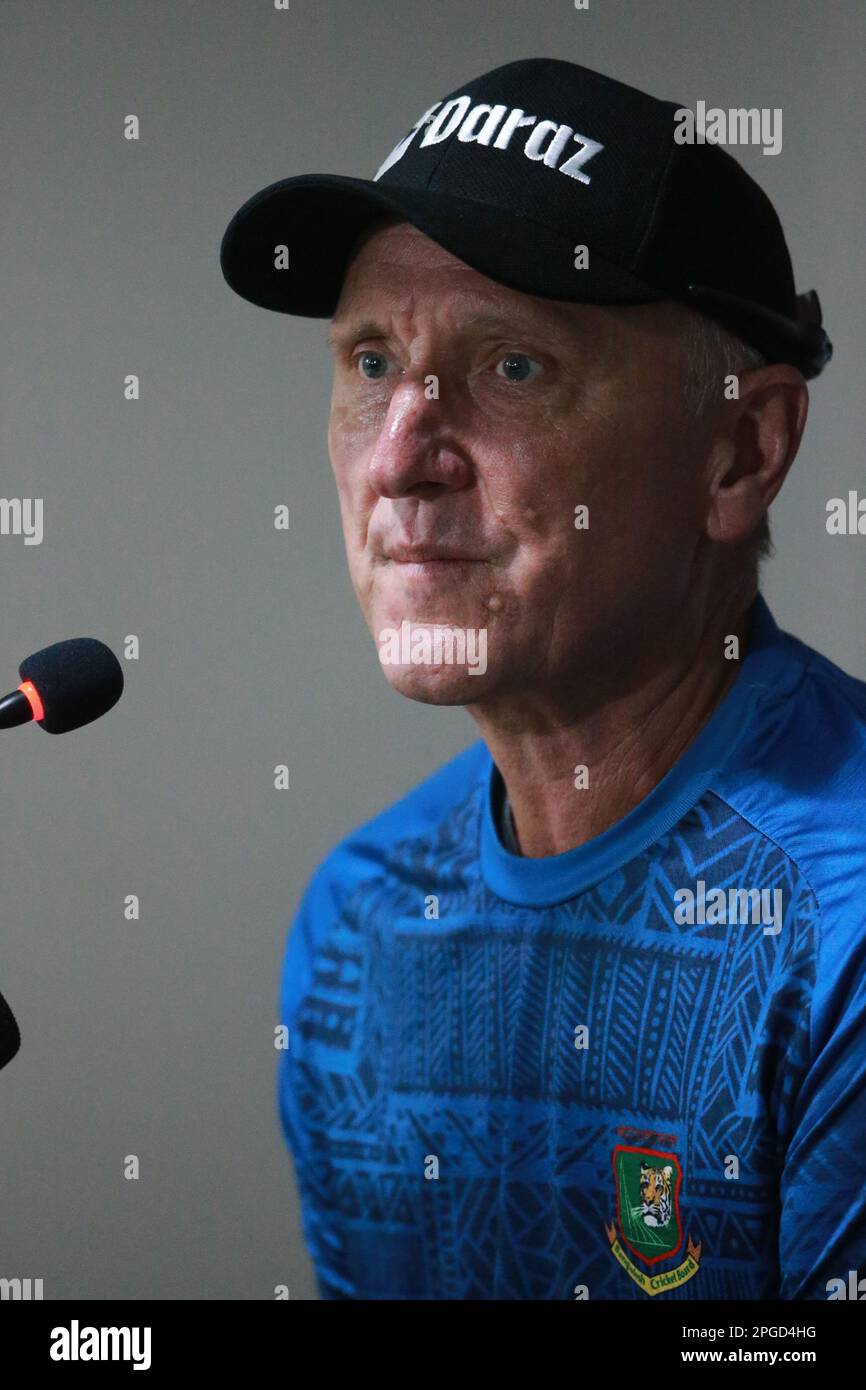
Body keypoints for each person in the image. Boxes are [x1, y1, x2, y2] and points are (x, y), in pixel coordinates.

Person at [220, 58, 865, 1300]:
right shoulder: (357, 925)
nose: (399, 459)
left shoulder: (843, 930)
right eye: (367, 364)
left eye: (510, 366)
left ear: (739, 449)